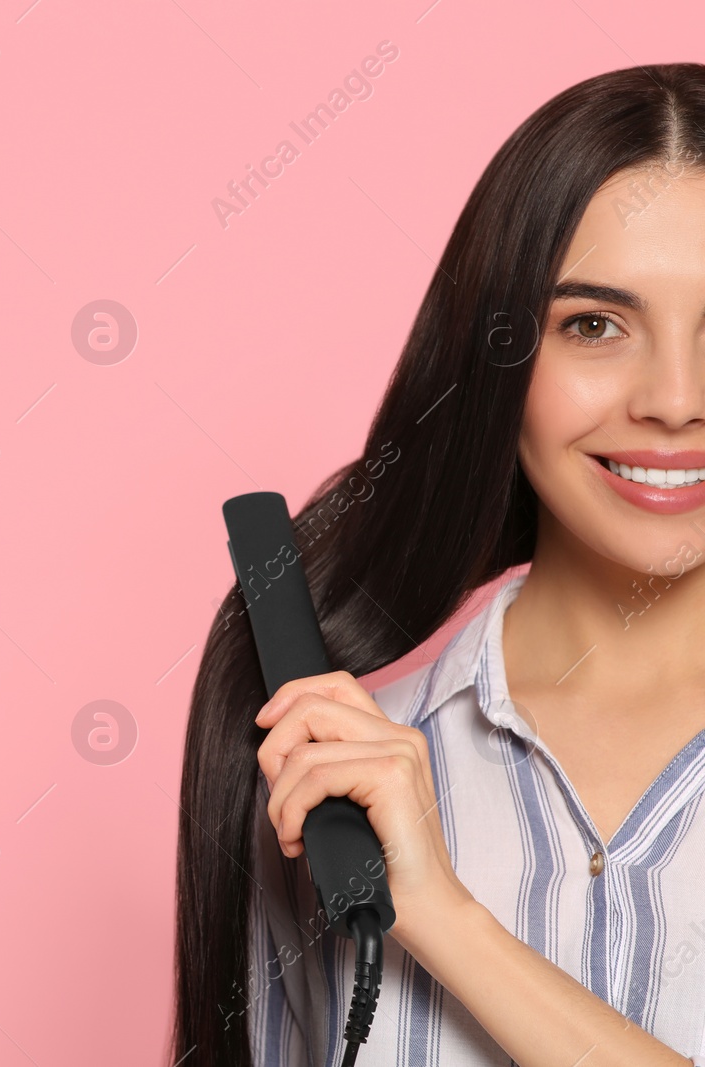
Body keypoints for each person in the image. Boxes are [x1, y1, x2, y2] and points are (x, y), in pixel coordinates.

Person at [173, 62, 705, 1067]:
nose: (673, 399)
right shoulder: (332, 774)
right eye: (593, 324)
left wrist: (443, 920)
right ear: (500, 353)